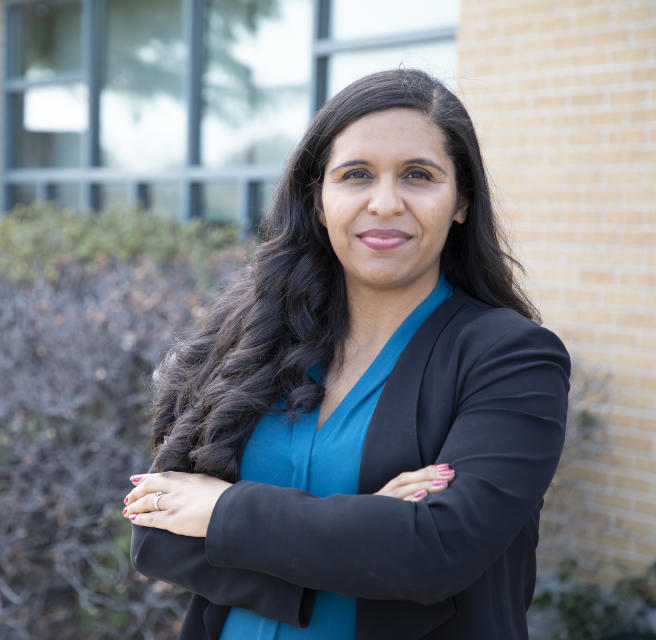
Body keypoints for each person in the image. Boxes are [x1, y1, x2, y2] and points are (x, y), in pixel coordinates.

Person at [122, 68, 570, 640]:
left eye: (418, 175)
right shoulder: (257, 336)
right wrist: (365, 524)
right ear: (318, 200)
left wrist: (223, 514)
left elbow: (435, 552)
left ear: (460, 202)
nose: (385, 203)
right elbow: (155, 531)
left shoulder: (512, 359)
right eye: (356, 175)